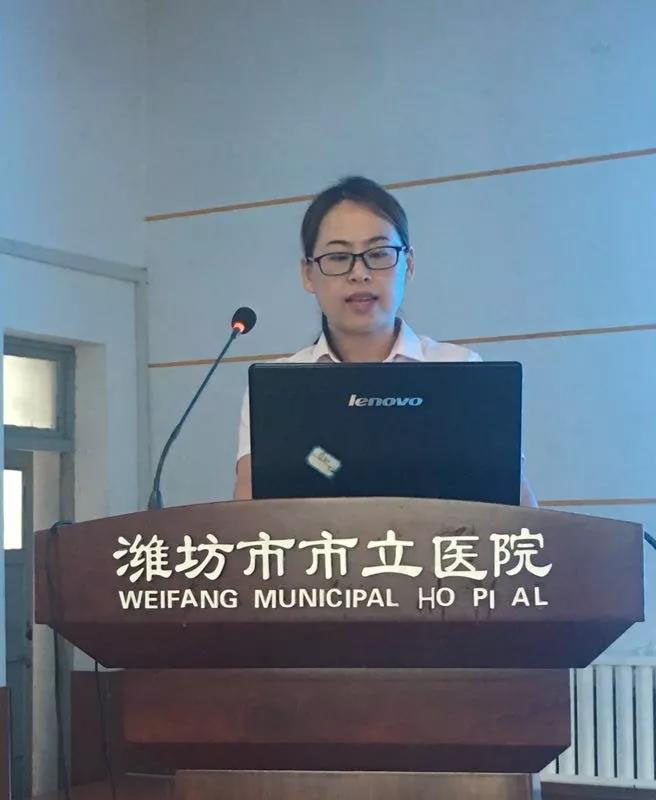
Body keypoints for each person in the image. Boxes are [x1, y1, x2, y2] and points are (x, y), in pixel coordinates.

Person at [234, 176, 537, 506]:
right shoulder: (278, 391)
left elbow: (520, 515)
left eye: (378, 254)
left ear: (409, 265)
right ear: (308, 273)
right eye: (338, 257)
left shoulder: (462, 371)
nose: (359, 273)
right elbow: (247, 518)